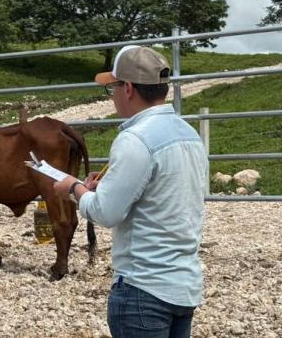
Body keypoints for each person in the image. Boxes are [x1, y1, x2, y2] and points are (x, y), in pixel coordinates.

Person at [53, 45, 208, 338]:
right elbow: (163, 193)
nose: (111, 96)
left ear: (127, 89)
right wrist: (105, 187)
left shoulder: (135, 139)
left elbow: (105, 212)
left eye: (111, 87)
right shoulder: (189, 134)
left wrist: (73, 188)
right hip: (183, 287)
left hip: (143, 290)